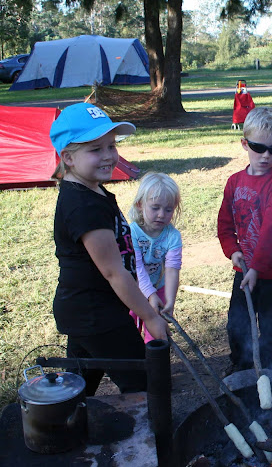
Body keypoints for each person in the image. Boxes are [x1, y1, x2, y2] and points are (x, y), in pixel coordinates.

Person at [49, 103, 167, 396]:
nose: (108, 156)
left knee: (78, 390)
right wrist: (150, 317)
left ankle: (66, 422)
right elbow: (114, 272)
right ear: (68, 158)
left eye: (111, 146)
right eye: (95, 149)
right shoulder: (83, 206)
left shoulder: (91, 190)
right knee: (145, 383)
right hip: (95, 314)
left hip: (86, 310)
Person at [217, 107, 272, 375]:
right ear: (245, 144)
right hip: (245, 271)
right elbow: (225, 224)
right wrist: (233, 251)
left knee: (271, 328)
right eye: (258, 147)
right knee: (237, 323)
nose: (266, 156)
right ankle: (241, 368)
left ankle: (269, 373)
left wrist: (256, 268)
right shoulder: (234, 182)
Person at [128, 172, 182, 343]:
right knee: (129, 332)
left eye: (168, 209)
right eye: (155, 208)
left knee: (157, 334)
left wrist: (170, 301)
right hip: (132, 290)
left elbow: (172, 269)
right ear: (140, 205)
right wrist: (150, 295)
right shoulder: (132, 233)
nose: (161, 214)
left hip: (159, 289)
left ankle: (155, 358)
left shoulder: (173, 236)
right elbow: (138, 268)